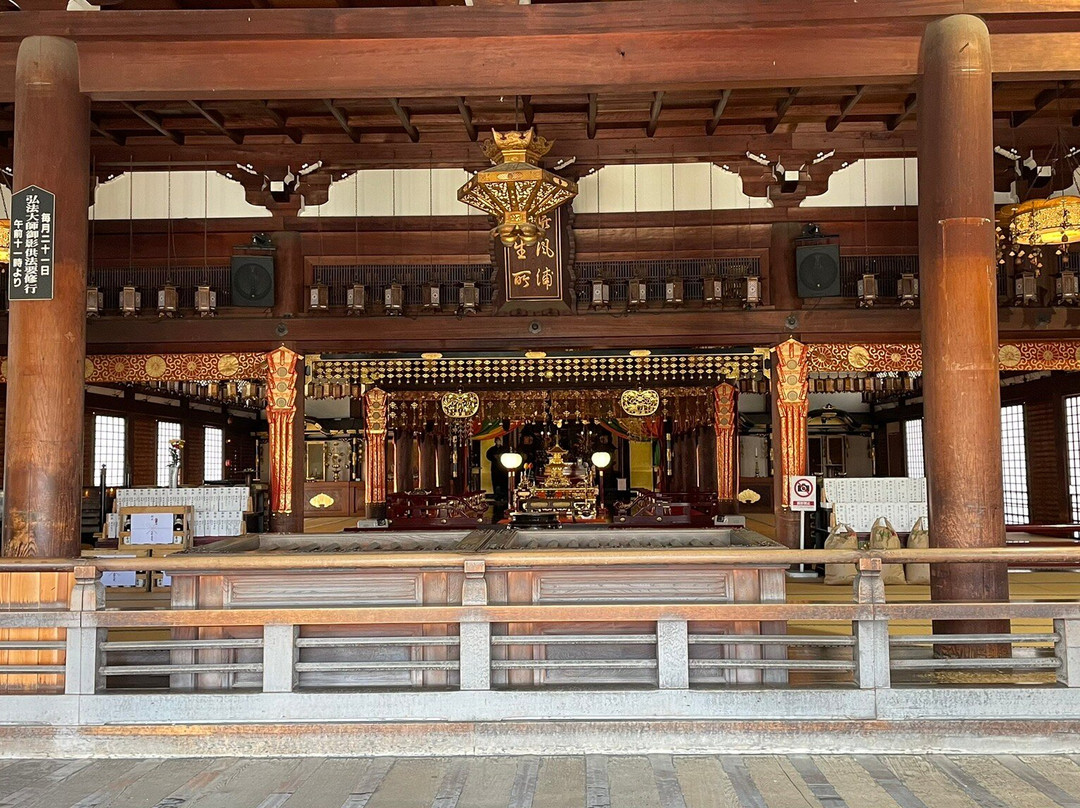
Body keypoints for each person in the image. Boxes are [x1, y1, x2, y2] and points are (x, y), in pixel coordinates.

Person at [486, 438, 510, 522]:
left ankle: (504, 496)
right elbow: (488, 455)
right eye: (497, 441)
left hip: (503, 468)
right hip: (495, 468)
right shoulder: (492, 449)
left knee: (503, 482)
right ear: (495, 442)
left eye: (499, 441)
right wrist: (494, 457)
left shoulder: (504, 449)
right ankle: (497, 496)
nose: (498, 442)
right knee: (496, 482)